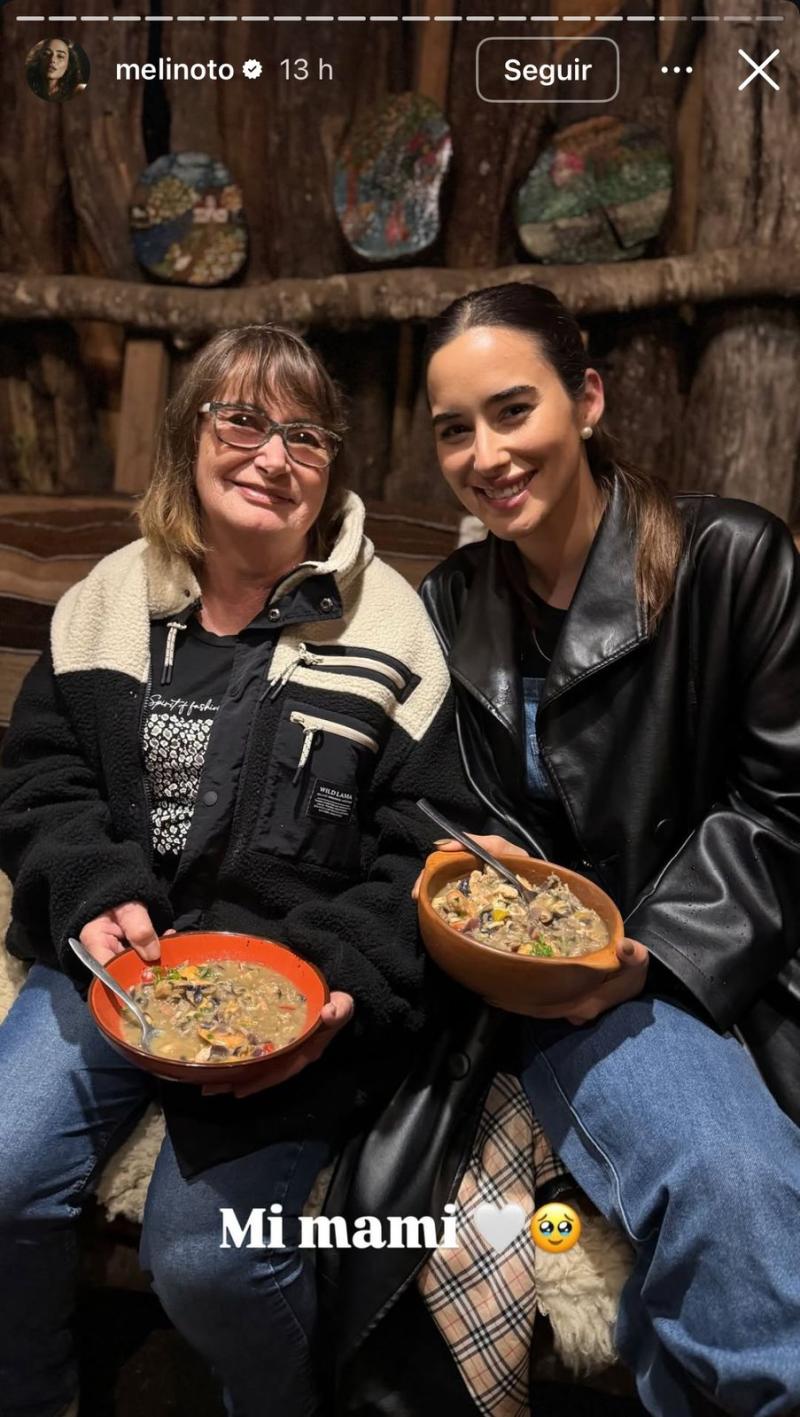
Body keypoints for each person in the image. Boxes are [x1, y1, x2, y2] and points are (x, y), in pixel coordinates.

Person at [323, 283, 800, 1417]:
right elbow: (424, 810)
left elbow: (782, 804)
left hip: (708, 964)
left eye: (511, 409)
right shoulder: (446, 606)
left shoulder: (731, 558)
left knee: (740, 1196)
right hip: (542, 992)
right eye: (454, 429)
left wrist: (649, 952)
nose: (485, 455)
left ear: (585, 399)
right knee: (730, 1178)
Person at [0, 324, 479, 1417]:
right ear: (189, 437)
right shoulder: (109, 600)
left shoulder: (393, 630)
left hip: (287, 994)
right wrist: (91, 892)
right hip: (115, 962)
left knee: (209, 1263)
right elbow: (40, 782)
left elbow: (430, 847)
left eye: (305, 435)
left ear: (332, 469)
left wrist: (334, 985)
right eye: (244, 421)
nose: (273, 455)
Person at [25, 38, 86, 102]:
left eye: (60, 56)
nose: (52, 60)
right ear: (38, 60)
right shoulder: (27, 88)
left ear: (69, 64)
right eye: (46, 54)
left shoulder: (78, 90)